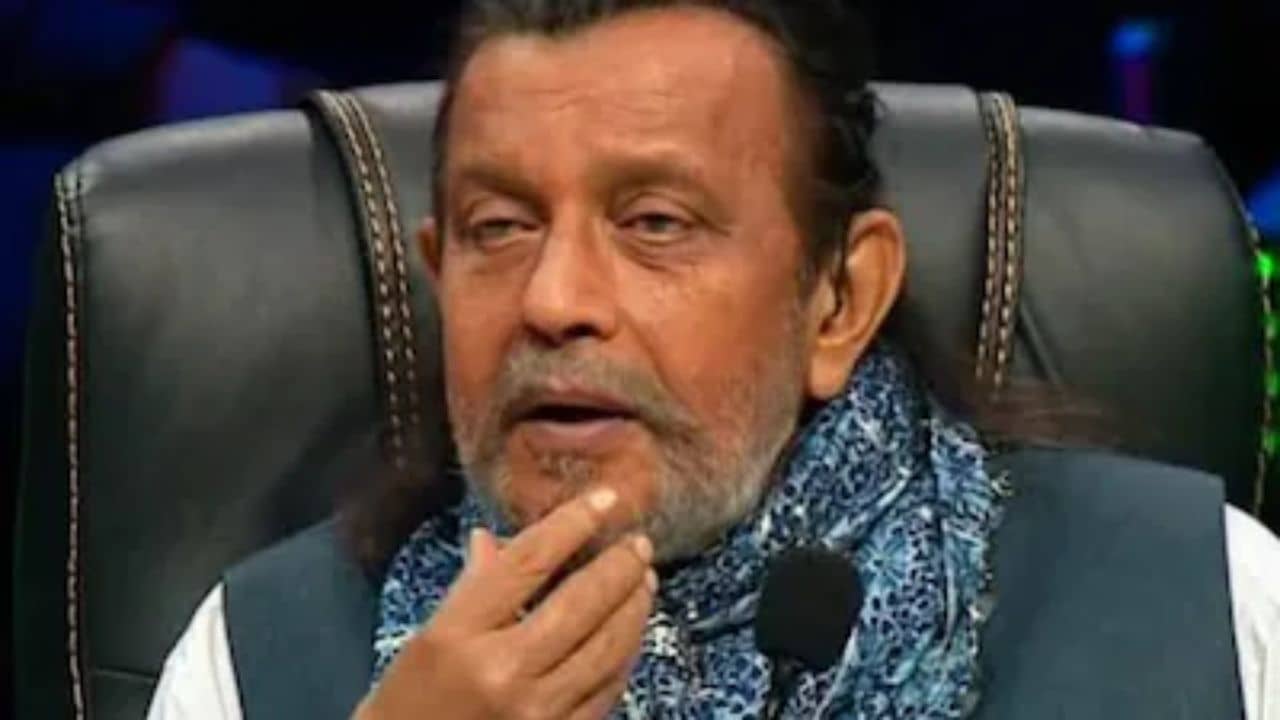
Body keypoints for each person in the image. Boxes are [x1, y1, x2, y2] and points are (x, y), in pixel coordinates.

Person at [146, 1, 1280, 718]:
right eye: (500, 228)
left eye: (655, 224)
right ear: (440, 274)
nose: (553, 301)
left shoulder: (1212, 601)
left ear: (839, 300)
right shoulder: (252, 661)